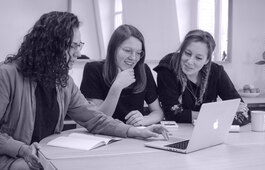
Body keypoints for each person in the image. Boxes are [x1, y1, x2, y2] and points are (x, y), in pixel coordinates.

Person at [0, 12, 168, 170]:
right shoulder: (7, 75)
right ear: (50, 45)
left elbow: (96, 119)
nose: (78, 53)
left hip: (45, 157)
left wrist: (136, 131)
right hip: (11, 159)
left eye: (79, 45)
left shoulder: (63, 82)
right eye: (73, 46)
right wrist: (21, 149)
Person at [153, 29, 249, 124]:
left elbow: (243, 112)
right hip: (177, 133)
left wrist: (216, 115)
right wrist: (222, 112)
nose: (190, 61)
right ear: (181, 51)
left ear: (207, 60)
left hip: (208, 132)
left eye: (198, 58)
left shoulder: (216, 71)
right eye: (187, 53)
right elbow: (173, 113)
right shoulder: (168, 66)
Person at [80, 24, 164, 126]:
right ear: (113, 49)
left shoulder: (143, 70)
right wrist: (117, 86)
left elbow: (158, 112)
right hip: (104, 135)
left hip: (134, 135)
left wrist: (145, 119)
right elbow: (98, 119)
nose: (133, 58)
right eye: (127, 51)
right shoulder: (93, 69)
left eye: (138, 53)